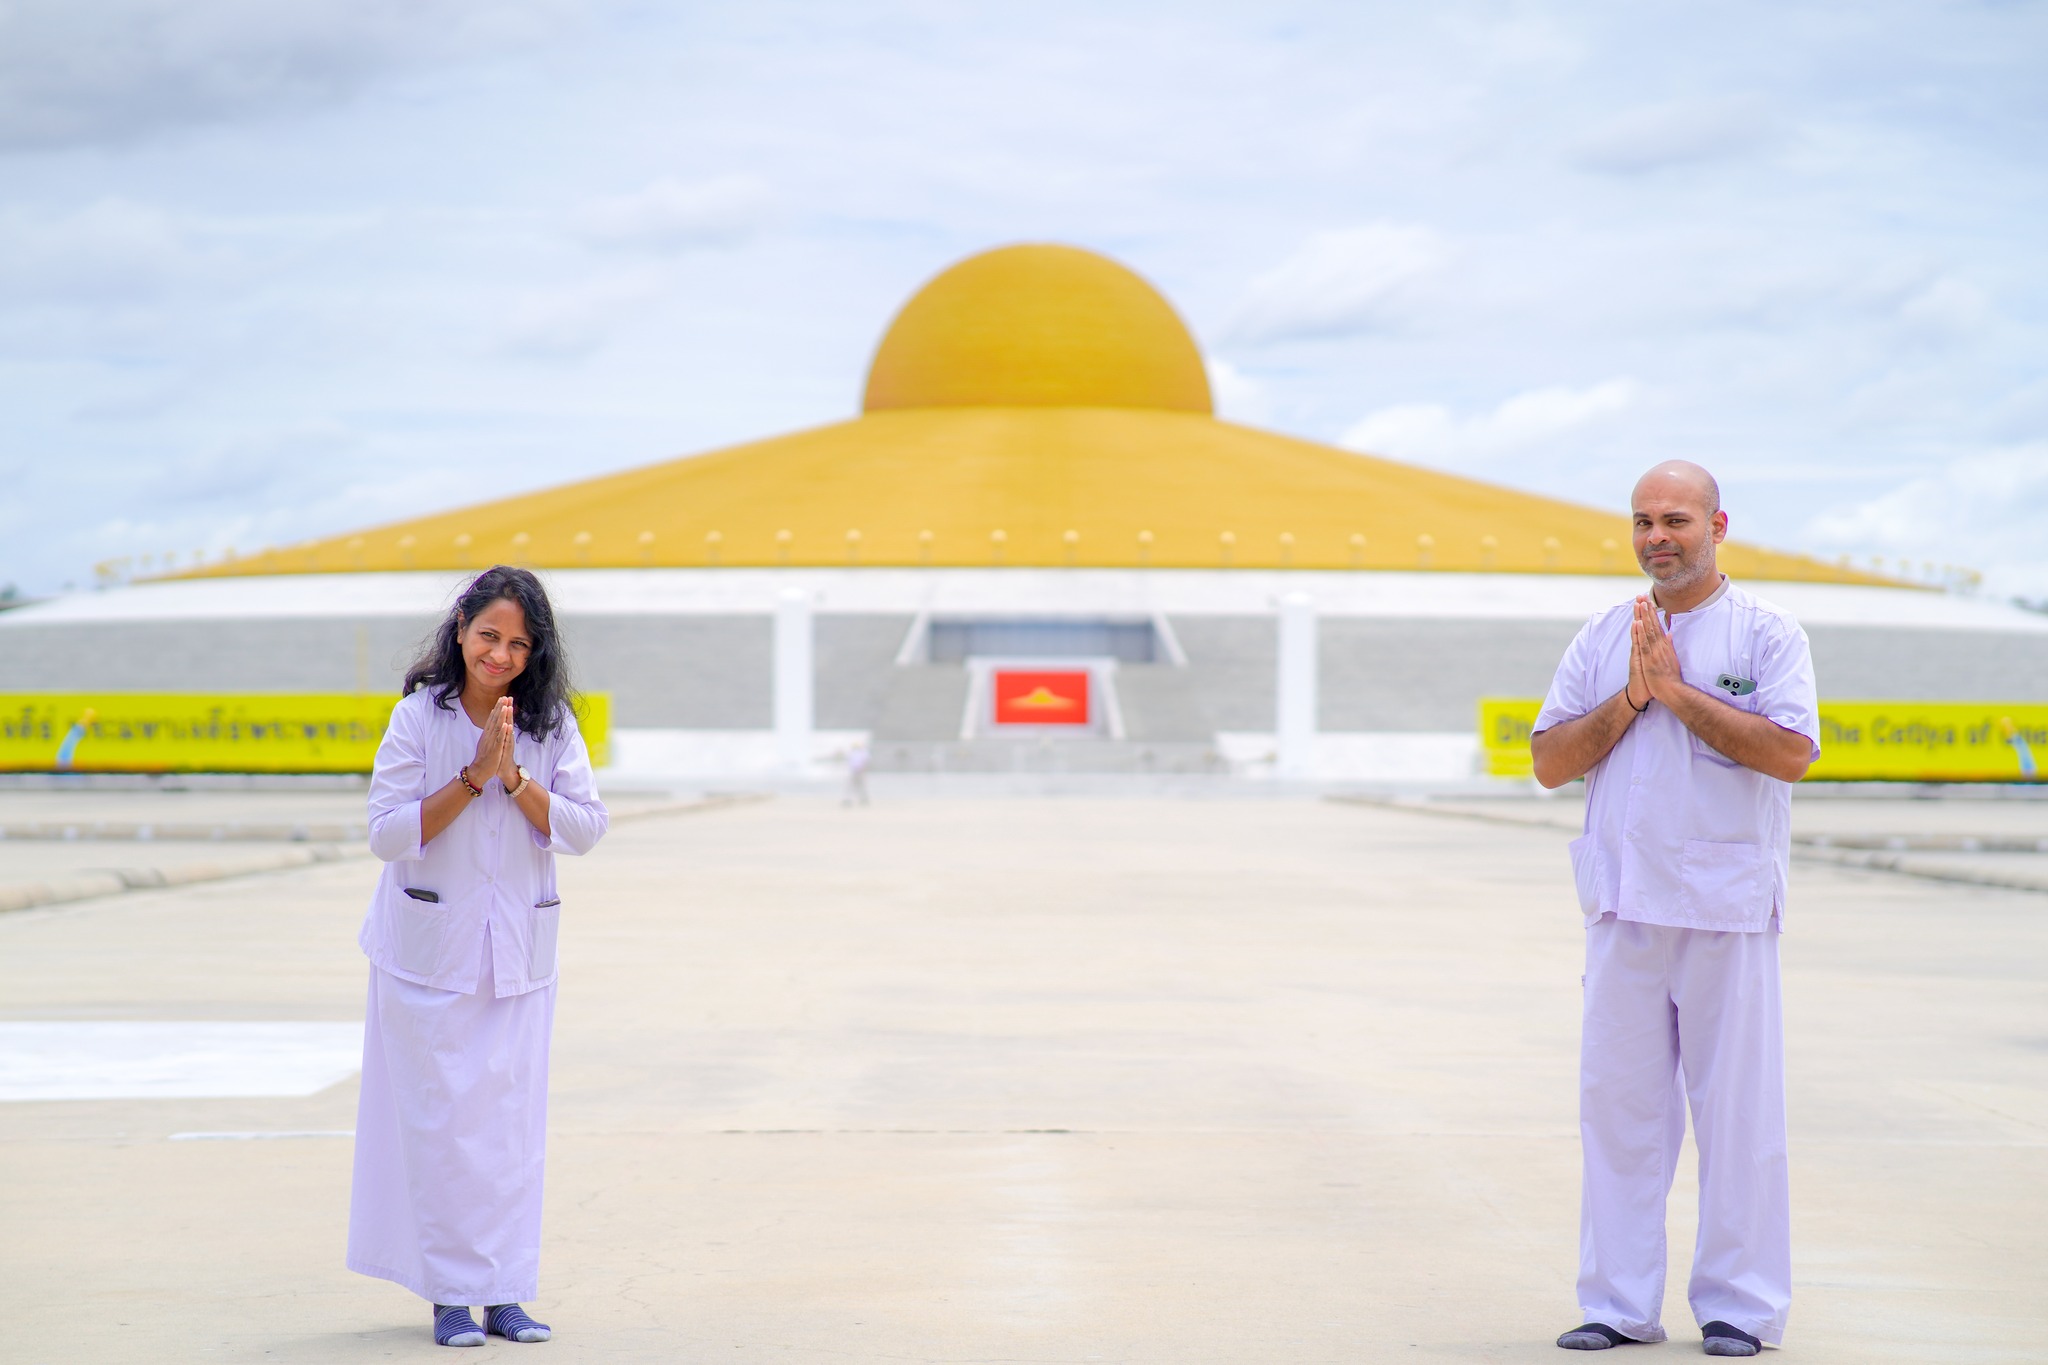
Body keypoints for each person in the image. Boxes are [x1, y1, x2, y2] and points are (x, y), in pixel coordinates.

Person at [1530, 463, 1818, 1358]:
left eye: (1677, 519)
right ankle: (1617, 1302)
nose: (1658, 535)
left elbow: (1790, 754)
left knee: (1736, 1114)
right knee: (1619, 1112)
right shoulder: (1604, 634)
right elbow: (1548, 759)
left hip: (1725, 907)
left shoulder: (1768, 633)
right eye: (1644, 520)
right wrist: (1631, 695)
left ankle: (1741, 1304)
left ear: (1717, 525)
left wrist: (1681, 693)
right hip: (1624, 905)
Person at [348, 566, 609, 1348]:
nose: (500, 654)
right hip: (426, 953)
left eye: (519, 644)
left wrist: (516, 776)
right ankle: (450, 1295)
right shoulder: (416, 720)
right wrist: (470, 778)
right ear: (460, 627)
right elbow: (386, 833)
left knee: (508, 1129)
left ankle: (506, 1291)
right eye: (489, 635)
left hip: (517, 956)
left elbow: (586, 827)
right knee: (440, 1127)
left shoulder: (549, 723)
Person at [843, 737, 871, 806]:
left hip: (860, 771)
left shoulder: (863, 753)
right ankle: (849, 799)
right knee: (852, 786)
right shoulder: (853, 753)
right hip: (854, 771)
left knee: (860, 786)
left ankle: (863, 799)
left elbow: (865, 762)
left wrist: (863, 769)